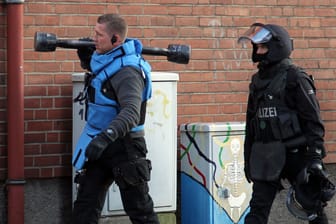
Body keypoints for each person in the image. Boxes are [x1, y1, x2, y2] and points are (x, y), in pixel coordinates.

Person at [238, 23, 335, 224]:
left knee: (313, 208)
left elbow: (313, 120)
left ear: (277, 47)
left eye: (263, 47)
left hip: (296, 154)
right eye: (257, 47)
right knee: (257, 211)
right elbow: (252, 125)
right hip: (266, 154)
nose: (258, 52)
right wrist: (247, 159)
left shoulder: (295, 77)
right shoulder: (257, 82)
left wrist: (315, 155)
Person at [71, 13, 160, 224]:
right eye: (94, 32)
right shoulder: (109, 59)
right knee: (85, 207)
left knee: (141, 212)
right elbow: (104, 81)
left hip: (125, 146)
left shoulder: (129, 72)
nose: (94, 38)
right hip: (101, 144)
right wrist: (87, 60)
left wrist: (104, 138)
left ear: (116, 39)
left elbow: (131, 113)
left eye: (99, 35)